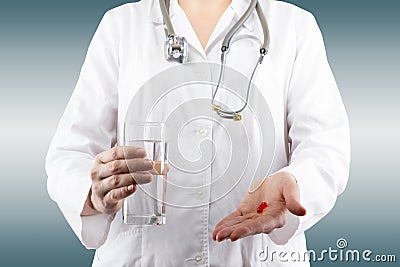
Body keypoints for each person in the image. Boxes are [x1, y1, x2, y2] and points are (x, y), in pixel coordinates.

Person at [46, 0, 350, 266]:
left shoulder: (294, 26)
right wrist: (95, 195)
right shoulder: (121, 26)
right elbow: (70, 153)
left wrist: (295, 184)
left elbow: (326, 147)